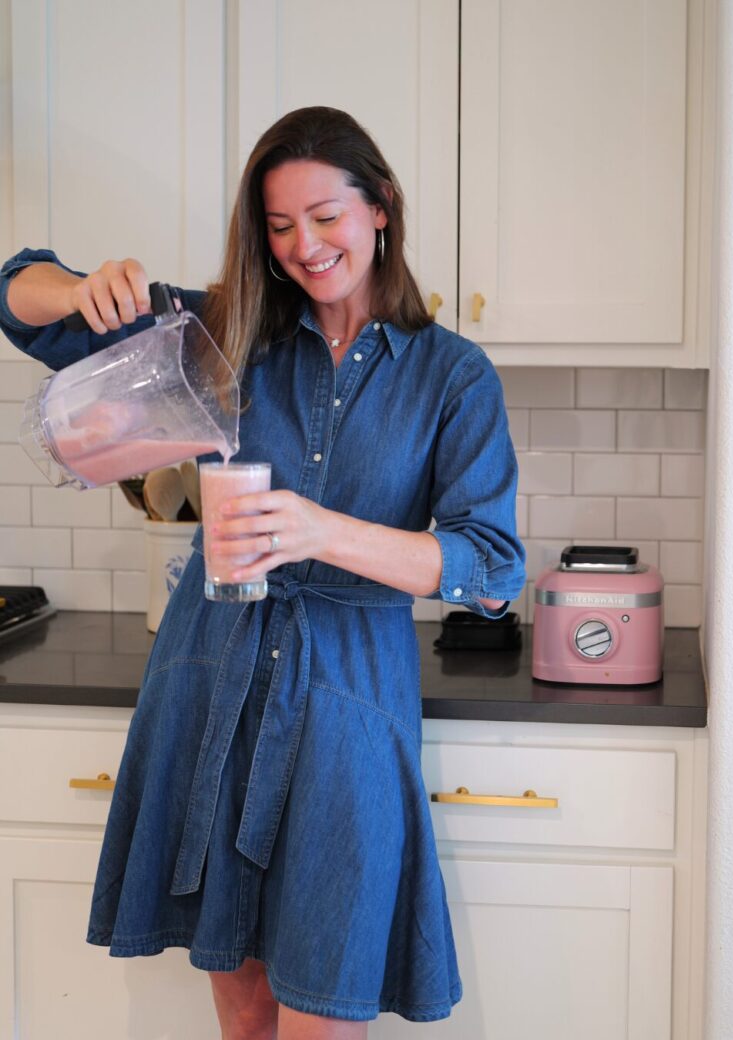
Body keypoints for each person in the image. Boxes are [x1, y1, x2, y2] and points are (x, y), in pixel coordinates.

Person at [0, 106, 525, 1039]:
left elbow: (490, 566)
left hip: (349, 712)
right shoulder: (222, 331)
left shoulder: (452, 376)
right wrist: (87, 285)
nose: (304, 246)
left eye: (325, 216)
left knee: (324, 1015)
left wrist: (322, 530)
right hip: (210, 691)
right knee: (243, 1018)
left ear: (382, 208)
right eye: (279, 227)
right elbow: (13, 298)